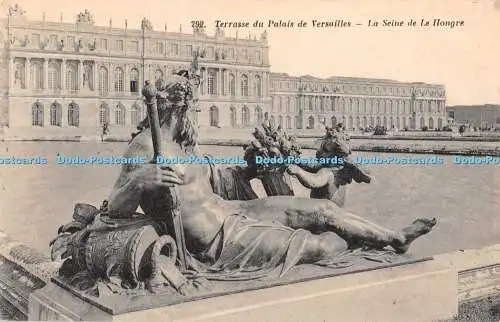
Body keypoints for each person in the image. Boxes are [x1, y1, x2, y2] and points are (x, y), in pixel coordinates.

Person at [106, 76, 436, 280]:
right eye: (190, 110)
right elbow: (114, 211)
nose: (192, 117)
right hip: (217, 242)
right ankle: (362, 246)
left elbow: (214, 179)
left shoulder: (180, 145)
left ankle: (395, 238)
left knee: (324, 212)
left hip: (233, 211)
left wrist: (250, 168)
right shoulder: (145, 145)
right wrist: (140, 181)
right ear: (179, 109)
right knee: (318, 245)